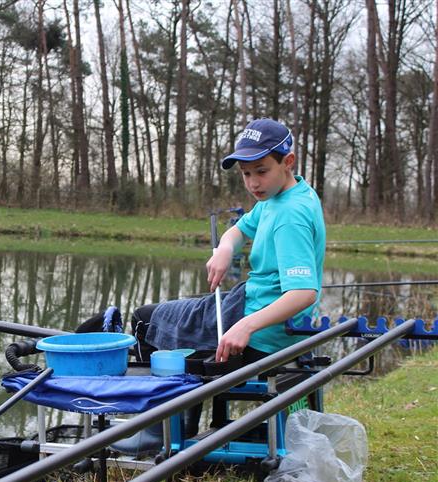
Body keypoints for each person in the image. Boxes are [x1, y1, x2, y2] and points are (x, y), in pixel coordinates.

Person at [129, 117, 326, 441]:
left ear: (287, 161)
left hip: (260, 331)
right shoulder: (283, 196)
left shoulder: (289, 216)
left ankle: (161, 430)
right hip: (255, 308)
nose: (253, 183)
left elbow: (304, 292)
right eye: (246, 174)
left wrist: (246, 327)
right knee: (183, 310)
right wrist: (224, 248)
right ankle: (179, 421)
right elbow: (240, 229)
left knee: (144, 320)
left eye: (261, 171)